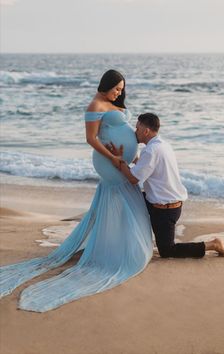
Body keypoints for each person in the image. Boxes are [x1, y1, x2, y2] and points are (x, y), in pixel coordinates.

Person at [0, 70, 153, 312]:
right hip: (108, 162)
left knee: (126, 201)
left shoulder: (112, 103)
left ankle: (119, 244)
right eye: (117, 88)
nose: (120, 92)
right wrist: (114, 157)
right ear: (106, 85)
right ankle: (119, 249)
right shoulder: (95, 105)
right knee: (123, 200)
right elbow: (91, 139)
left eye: (122, 89)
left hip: (120, 161)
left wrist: (133, 154)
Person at [108, 112, 224, 258]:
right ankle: (132, 243)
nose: (135, 132)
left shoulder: (151, 150)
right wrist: (130, 158)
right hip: (160, 201)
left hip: (164, 209)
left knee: (167, 251)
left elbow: (134, 179)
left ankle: (212, 244)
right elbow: (147, 167)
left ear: (146, 131)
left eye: (137, 128)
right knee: (126, 200)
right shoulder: (162, 145)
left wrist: (119, 161)